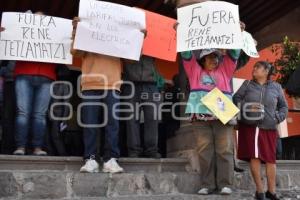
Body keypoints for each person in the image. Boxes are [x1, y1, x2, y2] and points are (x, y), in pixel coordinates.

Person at [71, 17, 126, 173]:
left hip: (113, 82)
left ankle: (111, 159)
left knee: (113, 124)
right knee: (90, 123)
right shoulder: (86, 28)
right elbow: (76, 52)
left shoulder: (120, 31)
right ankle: (91, 158)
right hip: (90, 82)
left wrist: (138, 37)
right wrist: (76, 31)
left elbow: (132, 57)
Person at [233, 61, 288, 200]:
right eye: (254, 67)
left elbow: (283, 107)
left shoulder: (276, 87)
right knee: (255, 156)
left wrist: (277, 117)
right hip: (250, 125)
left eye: (258, 67)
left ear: (266, 71)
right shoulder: (247, 85)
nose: (254, 69)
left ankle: (272, 191)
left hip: (269, 127)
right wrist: (248, 107)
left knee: (271, 159)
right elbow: (236, 99)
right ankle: (260, 191)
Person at [9, 11, 56, 156]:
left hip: (47, 76)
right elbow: (7, 37)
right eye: (35, 19)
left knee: (40, 115)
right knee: (23, 112)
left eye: (42, 19)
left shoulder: (54, 34)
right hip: (24, 74)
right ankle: (21, 147)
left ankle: (37, 147)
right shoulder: (21, 32)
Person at [122, 56, 167, 158]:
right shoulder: (126, 39)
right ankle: (134, 150)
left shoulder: (152, 40)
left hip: (151, 82)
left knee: (152, 117)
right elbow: (122, 55)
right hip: (130, 82)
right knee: (131, 118)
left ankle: (151, 149)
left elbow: (161, 52)